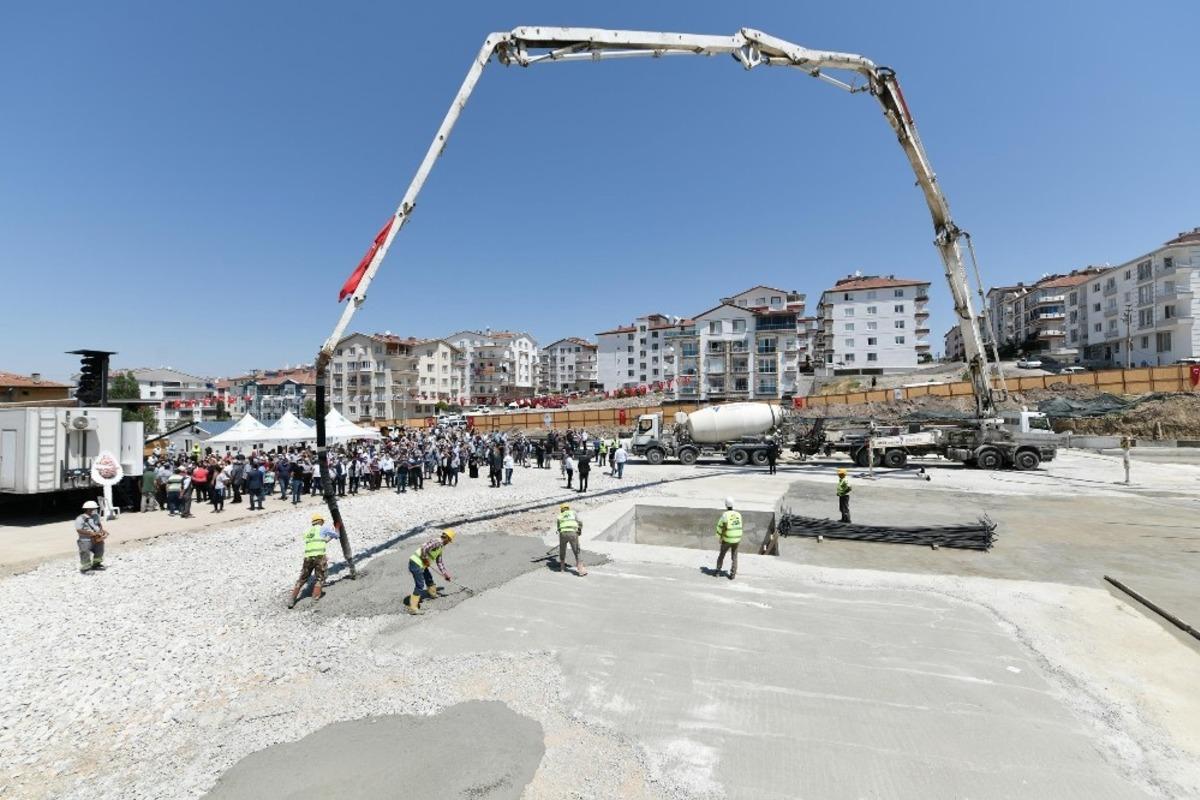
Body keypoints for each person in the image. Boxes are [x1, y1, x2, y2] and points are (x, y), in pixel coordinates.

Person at [287, 512, 342, 608]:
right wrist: (337, 528)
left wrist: (329, 537)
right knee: (320, 578)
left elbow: (322, 540)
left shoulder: (308, 532)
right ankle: (314, 599)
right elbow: (337, 535)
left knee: (302, 578)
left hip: (308, 558)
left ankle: (292, 599)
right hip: (319, 557)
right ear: (321, 521)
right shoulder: (323, 528)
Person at [405, 529, 456, 615]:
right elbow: (424, 548)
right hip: (416, 563)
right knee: (420, 585)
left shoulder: (440, 547)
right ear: (447, 538)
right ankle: (413, 608)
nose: (448, 543)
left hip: (422, 565)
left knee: (428, 577)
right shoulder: (438, 542)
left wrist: (445, 574)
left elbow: (439, 562)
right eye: (449, 540)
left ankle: (432, 593)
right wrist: (425, 559)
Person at [75, 500, 109, 573]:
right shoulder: (80, 518)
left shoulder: (96, 516)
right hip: (85, 540)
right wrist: (91, 533)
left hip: (97, 539)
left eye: (95, 509)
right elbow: (79, 530)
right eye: (93, 509)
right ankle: (85, 569)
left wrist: (102, 531)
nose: (94, 510)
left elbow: (99, 524)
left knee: (100, 551)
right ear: (88, 509)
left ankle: (96, 565)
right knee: (85, 553)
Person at [714, 497, 743, 580]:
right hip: (737, 539)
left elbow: (719, 526)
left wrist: (719, 537)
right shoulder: (738, 514)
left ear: (726, 505)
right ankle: (733, 574)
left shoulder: (725, 515)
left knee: (721, 555)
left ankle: (717, 571)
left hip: (727, 539)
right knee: (734, 557)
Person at [555, 502, 587, 576]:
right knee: (576, 551)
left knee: (562, 549)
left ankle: (562, 568)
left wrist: (564, 535)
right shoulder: (573, 512)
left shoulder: (559, 515)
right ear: (568, 508)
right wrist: (579, 530)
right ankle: (581, 570)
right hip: (573, 533)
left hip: (563, 533)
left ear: (562, 509)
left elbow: (558, 528)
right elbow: (580, 522)